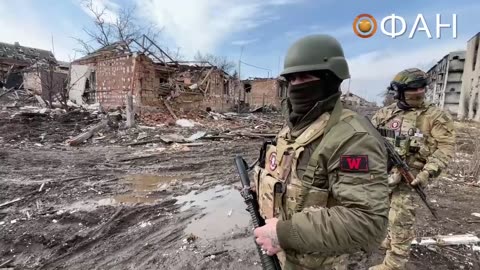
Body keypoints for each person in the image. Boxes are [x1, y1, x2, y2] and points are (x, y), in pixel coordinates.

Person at [251, 34, 390, 270]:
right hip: (283, 256)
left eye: (305, 76)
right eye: (292, 79)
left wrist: (283, 233)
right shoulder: (295, 126)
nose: (296, 85)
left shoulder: (352, 137)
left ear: (329, 78)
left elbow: (367, 222)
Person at [369, 68, 455, 270]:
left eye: (422, 87)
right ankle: (391, 241)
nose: (419, 92)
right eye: (413, 88)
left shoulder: (435, 116)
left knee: (401, 218)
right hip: (385, 174)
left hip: (411, 176)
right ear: (399, 92)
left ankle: (395, 263)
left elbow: (445, 147)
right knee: (384, 211)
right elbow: (367, 139)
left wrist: (427, 172)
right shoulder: (385, 113)